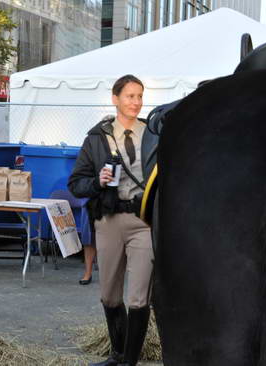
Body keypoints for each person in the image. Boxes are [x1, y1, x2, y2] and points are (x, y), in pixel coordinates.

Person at [68, 74, 158, 366]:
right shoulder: (97, 137)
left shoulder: (154, 134)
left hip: (143, 222)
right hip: (108, 220)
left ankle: (128, 362)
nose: (136, 102)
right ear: (115, 98)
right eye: (130, 96)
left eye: (140, 96)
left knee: (139, 297)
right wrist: (98, 180)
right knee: (109, 295)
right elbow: (76, 183)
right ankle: (117, 354)